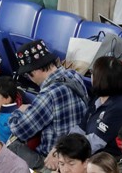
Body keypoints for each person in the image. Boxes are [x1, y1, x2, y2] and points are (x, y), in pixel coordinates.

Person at [8, 40, 88, 170]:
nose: (29, 78)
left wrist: (18, 111)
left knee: (11, 148)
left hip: (54, 160)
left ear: (36, 70)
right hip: (79, 153)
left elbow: (20, 130)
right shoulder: (75, 75)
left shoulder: (48, 95)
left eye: (29, 74)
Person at [85, 57, 122, 156]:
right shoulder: (97, 99)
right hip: (90, 156)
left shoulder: (119, 108)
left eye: (92, 72)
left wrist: (65, 152)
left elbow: (93, 144)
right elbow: (81, 126)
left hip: (110, 163)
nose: (91, 75)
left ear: (100, 78)